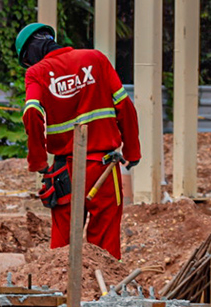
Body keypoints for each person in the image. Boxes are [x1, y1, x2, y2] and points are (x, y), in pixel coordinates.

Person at [16, 23, 141, 260]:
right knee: (105, 250)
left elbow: (31, 111)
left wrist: (38, 162)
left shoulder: (36, 73)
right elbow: (125, 106)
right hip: (104, 168)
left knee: (63, 250)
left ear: (29, 53)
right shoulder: (96, 59)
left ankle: (61, 292)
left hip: (65, 172)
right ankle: (104, 294)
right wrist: (132, 152)